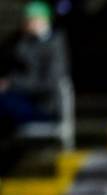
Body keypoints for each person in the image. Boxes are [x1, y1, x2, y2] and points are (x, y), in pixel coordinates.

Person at [0, 1, 69, 135]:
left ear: (42, 20)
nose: (26, 23)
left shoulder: (55, 45)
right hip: (23, 100)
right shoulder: (24, 42)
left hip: (44, 107)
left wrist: (11, 84)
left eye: (30, 19)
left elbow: (48, 83)